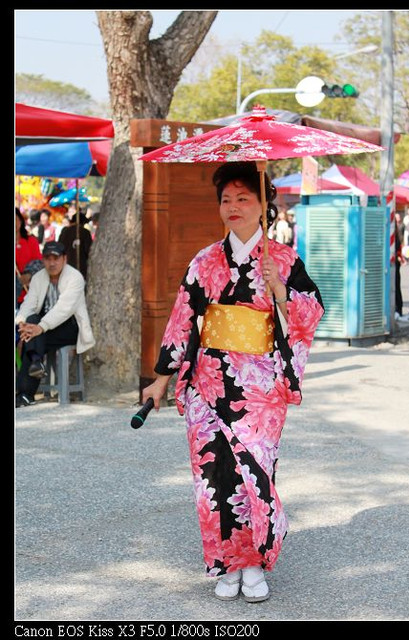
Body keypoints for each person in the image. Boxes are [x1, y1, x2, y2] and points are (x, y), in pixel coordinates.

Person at [141, 162, 324, 603]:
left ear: (264, 205)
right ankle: (226, 563)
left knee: (256, 473)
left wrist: (280, 289)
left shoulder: (283, 260)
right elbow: (183, 318)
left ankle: (255, 563)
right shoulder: (206, 261)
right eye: (226, 199)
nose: (233, 207)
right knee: (214, 474)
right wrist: (160, 378)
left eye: (244, 198)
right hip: (209, 381)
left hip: (260, 390)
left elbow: (312, 311)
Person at [15, 241, 95, 408]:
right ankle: (35, 365)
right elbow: (29, 304)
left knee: (33, 335)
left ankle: (25, 392)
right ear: (43, 260)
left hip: (69, 327)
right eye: (47, 258)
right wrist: (22, 323)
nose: (52, 263)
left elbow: (63, 309)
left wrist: (39, 328)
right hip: (43, 329)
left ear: (64, 259)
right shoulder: (38, 277)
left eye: (56, 258)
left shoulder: (75, 277)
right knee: (30, 325)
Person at [15, 207, 43, 306]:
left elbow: (39, 262)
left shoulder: (31, 240)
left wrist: (29, 275)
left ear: (21, 221)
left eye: (16, 219)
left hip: (28, 293)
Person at [58, 210, 93, 279]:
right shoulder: (85, 233)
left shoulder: (64, 232)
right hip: (80, 267)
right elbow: (88, 250)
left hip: (65, 266)